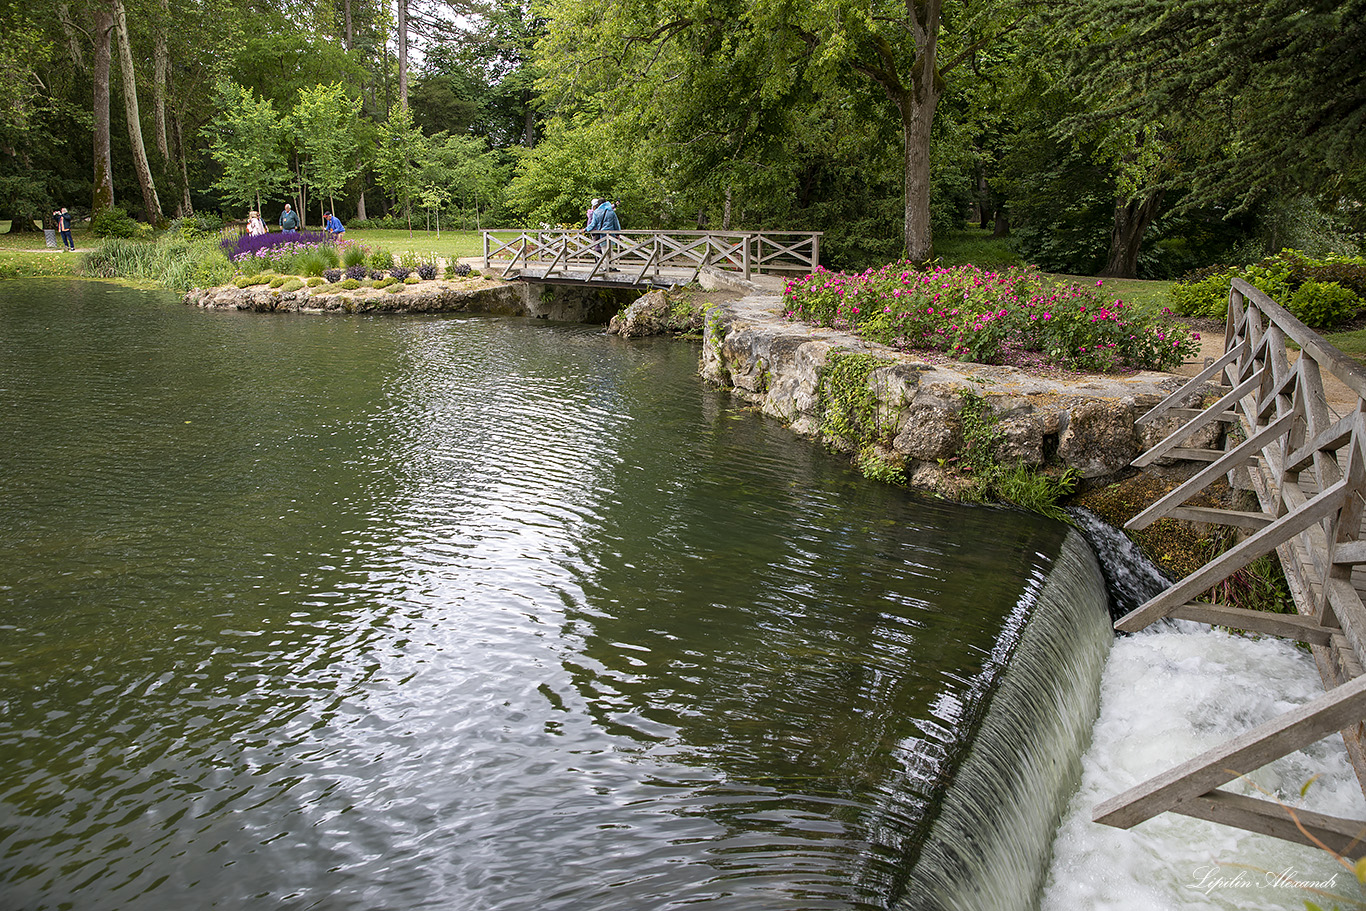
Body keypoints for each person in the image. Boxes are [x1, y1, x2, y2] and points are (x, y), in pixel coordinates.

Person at [587, 198, 621, 268]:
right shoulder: (611, 211)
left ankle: (606, 267)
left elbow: (593, 224)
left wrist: (586, 229)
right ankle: (612, 266)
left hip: (602, 234)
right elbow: (616, 223)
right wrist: (617, 233)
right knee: (610, 250)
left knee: (604, 250)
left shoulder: (596, 212)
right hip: (611, 234)